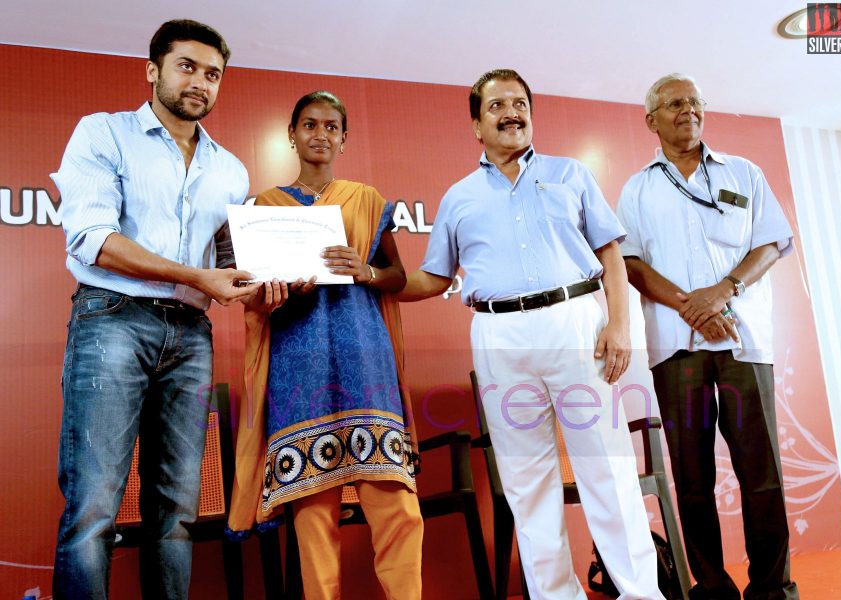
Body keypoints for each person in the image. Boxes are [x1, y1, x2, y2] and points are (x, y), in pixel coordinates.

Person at [400, 69, 663, 600]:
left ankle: (641, 594)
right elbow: (433, 278)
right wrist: (371, 279)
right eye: (496, 106)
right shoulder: (459, 197)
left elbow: (611, 254)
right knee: (527, 482)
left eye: (519, 103)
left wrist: (618, 324)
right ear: (477, 124)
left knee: (607, 471)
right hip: (498, 335)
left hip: (574, 325)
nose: (511, 113)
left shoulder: (571, 175)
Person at [50, 19, 259, 600]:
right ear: (153, 70)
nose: (201, 82)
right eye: (187, 66)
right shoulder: (103, 133)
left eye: (213, 74)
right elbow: (93, 238)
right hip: (112, 320)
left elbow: (231, 262)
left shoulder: (231, 170)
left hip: (191, 336)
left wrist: (280, 278)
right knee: (94, 504)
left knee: (178, 509)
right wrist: (196, 277)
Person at [227, 90, 423, 600]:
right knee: (313, 514)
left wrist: (368, 270)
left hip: (365, 362)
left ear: (344, 138)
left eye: (332, 126)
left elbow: (398, 277)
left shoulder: (368, 200)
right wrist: (274, 291)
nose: (321, 135)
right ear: (291, 135)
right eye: (309, 125)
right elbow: (252, 294)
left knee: (396, 504)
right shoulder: (263, 208)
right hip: (298, 367)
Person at [616, 73, 799, 600]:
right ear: (652, 119)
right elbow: (631, 264)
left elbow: (771, 243)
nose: (688, 110)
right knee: (692, 478)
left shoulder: (744, 172)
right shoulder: (638, 188)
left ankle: (773, 588)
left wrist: (723, 290)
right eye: (675, 104)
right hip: (677, 349)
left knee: (761, 472)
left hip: (744, 342)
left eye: (695, 102)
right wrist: (691, 308)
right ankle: (713, 589)